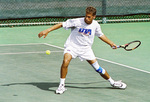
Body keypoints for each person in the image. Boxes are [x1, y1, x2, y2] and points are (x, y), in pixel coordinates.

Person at [38, 6, 127, 94]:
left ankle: (113, 82)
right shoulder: (77, 21)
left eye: (89, 17)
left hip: (86, 49)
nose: (86, 18)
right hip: (72, 47)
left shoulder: (95, 25)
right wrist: (47, 30)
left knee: (97, 68)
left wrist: (111, 43)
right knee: (65, 61)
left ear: (94, 17)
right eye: (86, 16)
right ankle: (61, 85)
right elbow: (61, 24)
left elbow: (100, 35)